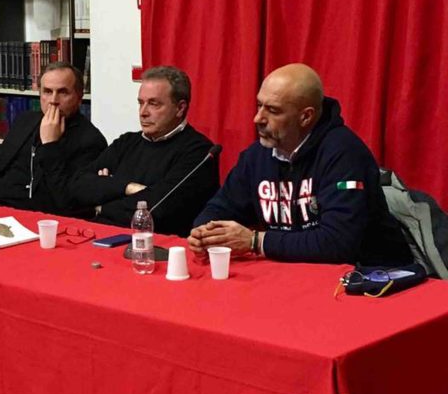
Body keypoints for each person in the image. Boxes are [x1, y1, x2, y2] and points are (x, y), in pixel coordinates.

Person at [188, 63, 412, 265]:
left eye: (273, 110)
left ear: (306, 117)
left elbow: (338, 243)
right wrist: (205, 232)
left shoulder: (345, 155)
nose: (258, 118)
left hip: (370, 276)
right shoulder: (256, 156)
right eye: (259, 105)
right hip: (293, 274)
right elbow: (221, 206)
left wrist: (256, 241)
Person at [70, 66, 219, 236]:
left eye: (154, 104)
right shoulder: (127, 142)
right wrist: (127, 187)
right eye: (141, 103)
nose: (143, 112)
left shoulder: (200, 152)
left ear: (180, 108)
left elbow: (158, 209)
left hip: (157, 244)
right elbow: (77, 187)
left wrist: (100, 204)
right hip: (100, 234)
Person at [0, 62, 107, 216]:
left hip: (40, 219)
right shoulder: (25, 120)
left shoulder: (91, 140)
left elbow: (67, 202)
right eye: (47, 91)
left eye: (63, 92)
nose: (53, 100)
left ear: (79, 97)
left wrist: (50, 145)